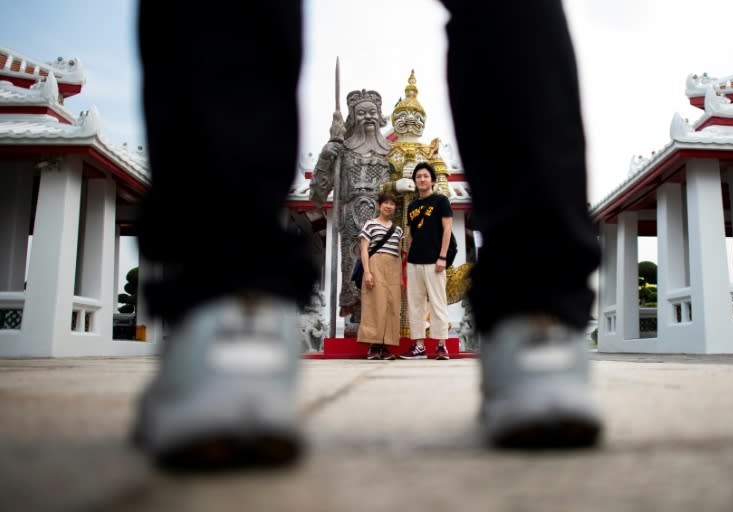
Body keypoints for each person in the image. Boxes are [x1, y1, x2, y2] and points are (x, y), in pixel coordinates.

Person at [132, 0, 602, 470]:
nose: (372, 120)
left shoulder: (406, 157)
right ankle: (229, 297)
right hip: (361, 225)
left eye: (375, 114)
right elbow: (319, 192)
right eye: (366, 114)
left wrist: (405, 188)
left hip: (393, 233)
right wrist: (335, 150)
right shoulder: (353, 145)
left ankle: (537, 308)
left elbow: (423, 182)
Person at [309, 89, 391, 337]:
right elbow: (317, 195)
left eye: (372, 112)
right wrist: (326, 158)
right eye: (361, 113)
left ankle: (384, 327)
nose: (368, 117)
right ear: (352, 117)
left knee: (383, 275)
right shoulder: (342, 151)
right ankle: (356, 322)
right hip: (352, 224)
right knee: (355, 273)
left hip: (385, 224)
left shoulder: (391, 153)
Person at [400, 162, 453, 361]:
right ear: (415, 181)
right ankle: (419, 346)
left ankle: (441, 345)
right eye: (418, 176)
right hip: (414, 261)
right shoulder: (412, 206)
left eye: (425, 176)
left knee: (438, 303)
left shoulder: (441, 201)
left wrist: (442, 256)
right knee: (416, 305)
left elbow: (447, 230)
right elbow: (411, 234)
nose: (422, 179)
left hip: (435, 261)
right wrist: (407, 258)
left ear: (432, 179)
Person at [357, 191, 404, 360]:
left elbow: (399, 254)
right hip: (375, 265)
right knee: (374, 304)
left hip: (393, 267)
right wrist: (367, 272)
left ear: (395, 208)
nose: (389, 206)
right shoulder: (370, 224)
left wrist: (400, 278)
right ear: (379, 205)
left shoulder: (398, 230)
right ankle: (373, 346)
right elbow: (364, 250)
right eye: (386, 203)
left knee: (391, 306)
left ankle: (386, 346)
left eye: (392, 204)